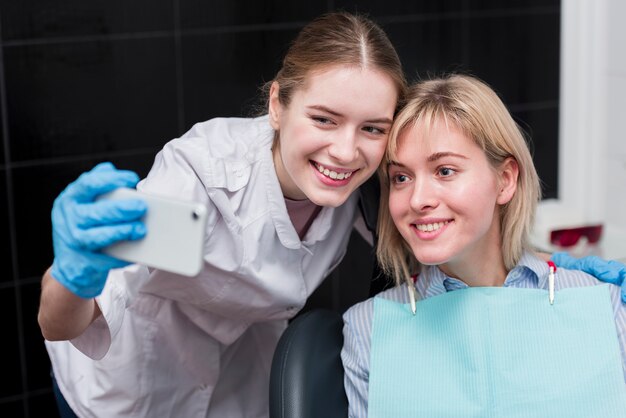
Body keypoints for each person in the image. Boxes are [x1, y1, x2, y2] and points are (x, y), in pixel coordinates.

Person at [37, 11, 623, 417]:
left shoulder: (366, 181)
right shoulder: (201, 182)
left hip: (238, 376)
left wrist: (561, 273)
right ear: (276, 103)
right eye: (323, 119)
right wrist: (72, 273)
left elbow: (457, 224)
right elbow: (64, 322)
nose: (346, 152)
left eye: (372, 129)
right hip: (129, 377)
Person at [341, 74, 626, 417]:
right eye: (401, 177)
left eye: (445, 171)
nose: (417, 199)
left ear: (505, 180)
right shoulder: (368, 329)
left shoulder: (604, 306)